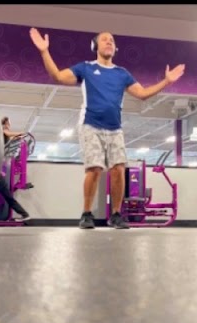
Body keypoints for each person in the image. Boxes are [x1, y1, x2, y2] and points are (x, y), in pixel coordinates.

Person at [30, 27, 185, 228]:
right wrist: (44, 51)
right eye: (104, 39)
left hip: (115, 128)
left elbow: (143, 94)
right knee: (94, 169)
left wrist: (166, 81)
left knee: (119, 169)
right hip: (90, 124)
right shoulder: (85, 68)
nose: (109, 42)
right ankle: (86, 214)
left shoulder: (122, 73)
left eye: (112, 40)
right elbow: (58, 76)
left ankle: (116, 215)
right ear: (95, 46)